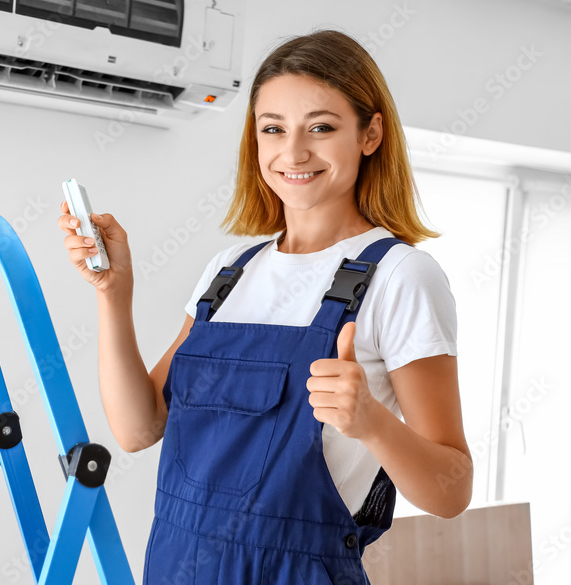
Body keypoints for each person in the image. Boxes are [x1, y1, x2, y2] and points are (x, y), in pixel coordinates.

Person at [57, 29, 472, 583]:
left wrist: (371, 422)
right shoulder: (230, 272)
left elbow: (451, 491)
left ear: (370, 133)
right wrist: (114, 295)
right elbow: (138, 430)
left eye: (321, 128)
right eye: (273, 129)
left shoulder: (401, 276)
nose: (293, 153)